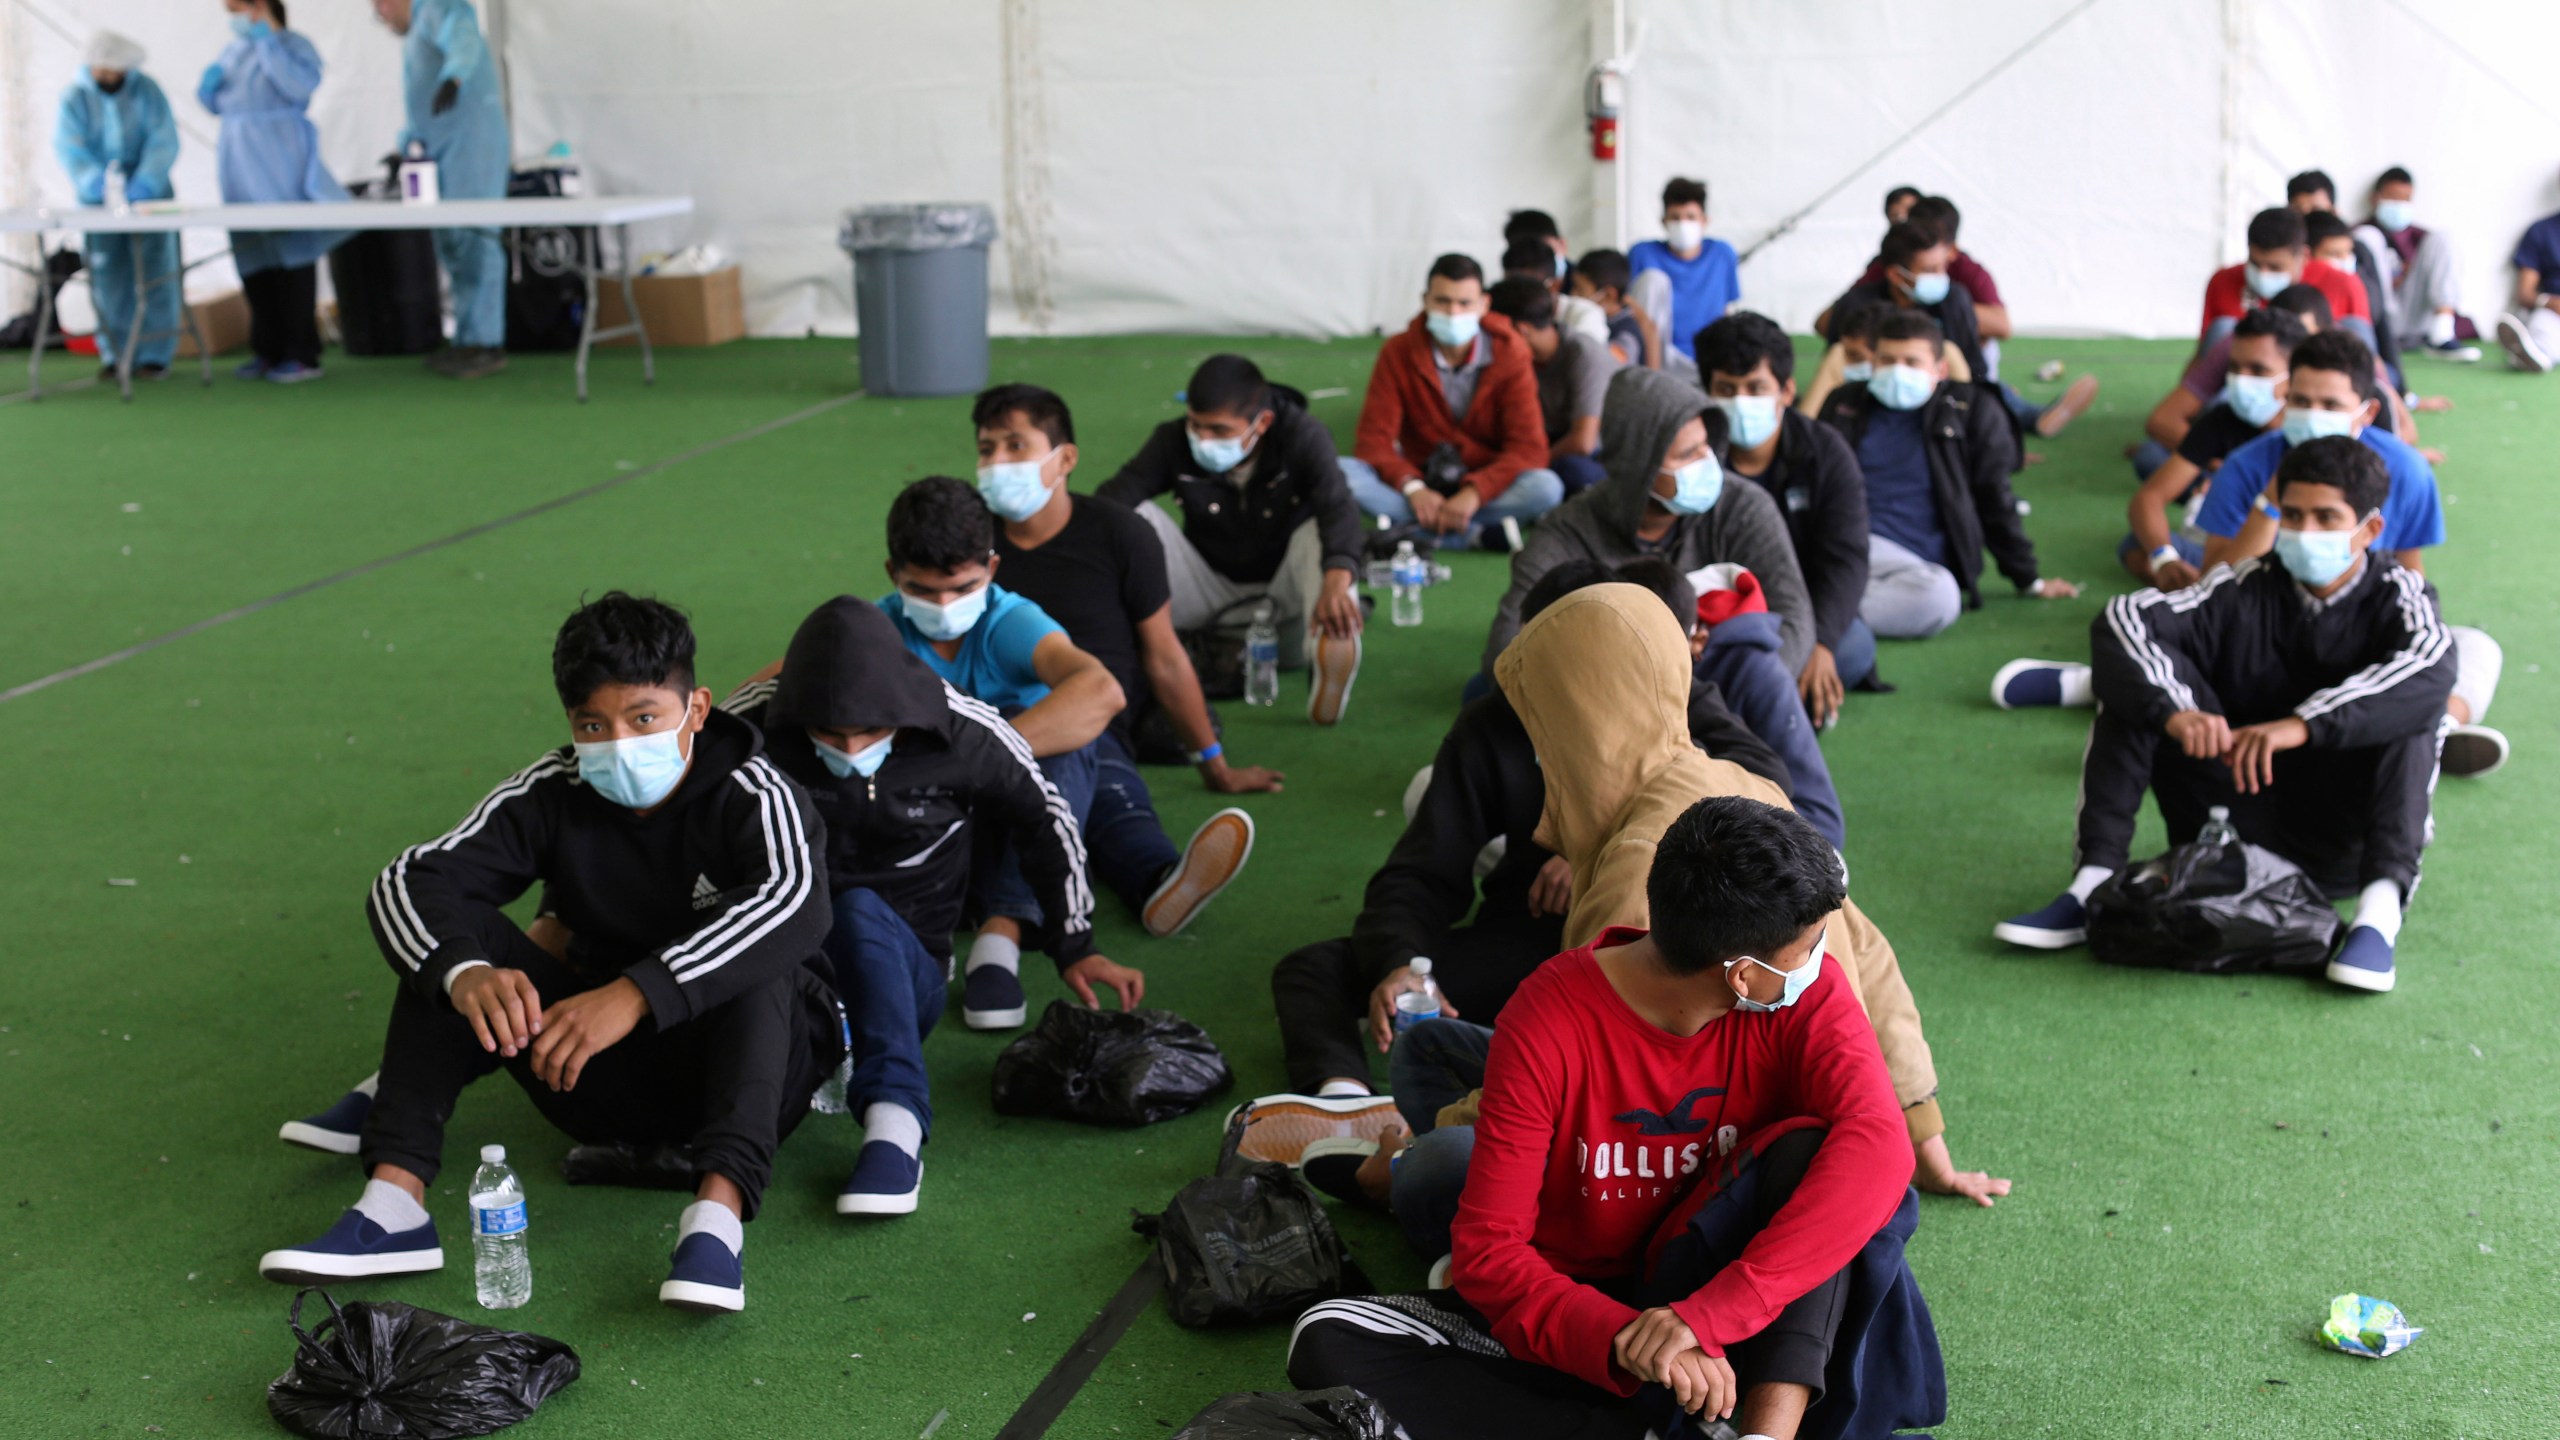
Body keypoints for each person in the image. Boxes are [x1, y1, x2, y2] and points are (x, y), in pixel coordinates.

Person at [1286, 795, 1943, 1440]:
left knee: (1823, 1158)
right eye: (1811, 944)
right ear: (1743, 975)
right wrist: (1633, 1342)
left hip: (1745, 1322)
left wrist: (1705, 1318)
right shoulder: (1547, 1018)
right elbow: (1491, 1255)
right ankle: (1671, 1425)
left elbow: (1882, 1149)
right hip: (1606, 1316)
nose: (1820, 956)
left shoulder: (1808, 990)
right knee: (1327, 1333)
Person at [257, 594, 843, 1314]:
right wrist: (464, 975)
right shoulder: (553, 790)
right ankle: (393, 1205)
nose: (619, 743)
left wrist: (635, 993)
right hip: (595, 1078)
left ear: (696, 709)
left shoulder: (753, 791)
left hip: (755, 1079)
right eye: (592, 724)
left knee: (761, 957)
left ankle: (715, 1228)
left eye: (644, 718)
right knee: (451, 950)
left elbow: (797, 905)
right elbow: (411, 878)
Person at [1258, 563, 1791, 1127]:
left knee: (1605, 1048)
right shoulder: (1496, 722)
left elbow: (1763, 793)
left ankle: (1506, 1070)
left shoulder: (1668, 693)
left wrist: (1592, 848)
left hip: (1646, 959)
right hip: (1528, 945)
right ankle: (1348, 1104)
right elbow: (1421, 871)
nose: (1535, 680)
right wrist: (1399, 964)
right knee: (1314, 969)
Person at [722, 596, 1139, 1213]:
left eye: (870, 731)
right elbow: (664, 824)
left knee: (858, 909)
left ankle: (896, 1127)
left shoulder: (962, 727)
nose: (851, 746)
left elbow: (1043, 818)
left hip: (907, 964)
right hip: (784, 959)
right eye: (829, 734)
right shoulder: (747, 726)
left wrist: (1075, 941)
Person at [1994, 440, 2456, 994]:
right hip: (2225, 825)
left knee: (2413, 713)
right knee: (2139, 696)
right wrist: (2179, 714)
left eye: (2327, 517)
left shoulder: (2398, 594)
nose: (2306, 531)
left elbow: (2427, 662)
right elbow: (2125, 616)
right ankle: (2089, 891)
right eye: (2294, 514)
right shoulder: (2243, 585)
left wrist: (2302, 725)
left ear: (2370, 530)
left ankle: (2377, 921)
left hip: (2337, 849)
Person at [876, 476, 1238, 1026]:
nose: (944, 606)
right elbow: (784, 683)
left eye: (961, 587)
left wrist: (975, 756)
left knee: (1074, 749)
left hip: (1011, 807)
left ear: (992, 570)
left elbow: (1103, 691)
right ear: (892, 576)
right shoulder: (873, 629)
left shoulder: (1010, 619)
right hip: (929, 830)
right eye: (923, 592)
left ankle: (1000, 939)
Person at [1480, 366, 1841, 843]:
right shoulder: (1567, 532)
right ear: (1640, 466)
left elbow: (1793, 617)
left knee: (1806, 657)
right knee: (1482, 700)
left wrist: (1714, 698)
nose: (1707, 462)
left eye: (1706, 447)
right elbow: (1507, 652)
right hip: (1608, 719)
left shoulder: (1744, 506)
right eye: (1688, 454)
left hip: (1722, 691)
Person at [969, 386, 1267, 934]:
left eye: (1016, 446)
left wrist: (1214, 763)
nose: (997, 464)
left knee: (1102, 787)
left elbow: (1165, 658)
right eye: (987, 449)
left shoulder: (1120, 534)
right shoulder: (967, 537)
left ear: (1066, 459)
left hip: (1089, 724)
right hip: (985, 722)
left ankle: (1161, 882)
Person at [1097, 354, 1365, 725]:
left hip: (1286, 608)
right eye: (1195, 425)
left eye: (1219, 431)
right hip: (1202, 605)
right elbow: (1110, 502)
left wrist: (1338, 577)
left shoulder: (1302, 436)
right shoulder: (1172, 440)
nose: (1203, 440)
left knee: (1320, 538)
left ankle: (1329, 649)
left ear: (1263, 422)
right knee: (1134, 520)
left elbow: (1339, 508)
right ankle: (1118, 647)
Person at [1815, 310, 2077, 644]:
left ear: (1940, 369)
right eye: (1886, 360)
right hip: (1842, 544)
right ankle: (1830, 607)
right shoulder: (1845, 403)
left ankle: (1818, 609)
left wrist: (2028, 578)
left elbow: (1994, 497)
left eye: (1912, 362)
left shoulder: (1972, 410)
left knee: (1939, 597)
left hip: (1920, 570)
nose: (1898, 371)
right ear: (1872, 364)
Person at [1695, 312, 1874, 719]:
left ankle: (1743, 706)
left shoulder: (1825, 453)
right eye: (1726, 389)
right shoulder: (1692, 456)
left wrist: (1822, 643)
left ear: (1787, 391)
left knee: (1853, 647)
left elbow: (1845, 558)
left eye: (1756, 388)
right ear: (1706, 392)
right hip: (1713, 612)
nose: (1741, 401)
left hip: (1802, 608)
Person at [1342, 254, 1564, 547]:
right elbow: (1373, 442)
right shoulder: (1397, 352)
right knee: (1340, 472)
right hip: (1420, 479)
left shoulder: (1510, 353)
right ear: (1425, 300)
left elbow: (1528, 448)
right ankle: (1473, 536)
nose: (1453, 313)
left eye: (1464, 303)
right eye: (1443, 301)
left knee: (1546, 487)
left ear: (1484, 304)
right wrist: (1413, 488)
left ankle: (1415, 531)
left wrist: (1476, 492)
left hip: (1484, 481)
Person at [199, 0, 350, 384]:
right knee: (252, 255)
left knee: (290, 251)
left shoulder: (295, 46)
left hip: (279, 156)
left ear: (260, 8)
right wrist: (209, 88)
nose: (233, 20)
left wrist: (269, 44)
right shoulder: (233, 50)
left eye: (238, 10)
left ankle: (302, 352)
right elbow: (218, 103)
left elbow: (298, 87)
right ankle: (266, 349)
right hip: (237, 161)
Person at [2115, 306, 2306, 592]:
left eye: (2257, 370)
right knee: (2139, 544)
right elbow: (2148, 498)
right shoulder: (2222, 420)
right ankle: (2202, 592)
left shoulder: (2315, 431)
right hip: (2230, 553)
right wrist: (2165, 559)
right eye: (2234, 368)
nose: (2242, 380)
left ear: (2294, 375)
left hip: (2303, 554)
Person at [372, 0, 511, 378]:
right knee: (453, 245)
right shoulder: (416, 35)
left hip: (471, 146)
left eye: (380, 6)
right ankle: (467, 340)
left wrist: (455, 76)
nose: (381, 16)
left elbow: (462, 36)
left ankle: (487, 342)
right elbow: (420, 107)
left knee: (476, 240)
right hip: (443, 153)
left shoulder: (437, 7)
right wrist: (406, 146)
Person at [54, 32, 182, 380]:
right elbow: (69, 147)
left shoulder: (147, 91)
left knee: (157, 272)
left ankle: (156, 354)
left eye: (114, 71)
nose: (108, 78)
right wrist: (95, 182)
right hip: (98, 201)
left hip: (149, 196)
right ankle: (115, 354)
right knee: (108, 276)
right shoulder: (75, 99)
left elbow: (162, 139)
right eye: (102, 71)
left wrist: (146, 182)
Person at [1819, 220, 1994, 395]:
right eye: (1929, 270)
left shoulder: (1955, 300)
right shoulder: (1855, 305)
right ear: (1896, 275)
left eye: (1943, 267)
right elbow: (1836, 365)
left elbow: (1976, 370)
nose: (1940, 276)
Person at [1488, 277, 1619, 496]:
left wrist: (1526, 464)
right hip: (1551, 445)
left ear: (1522, 331)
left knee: (1571, 471)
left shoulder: (1582, 353)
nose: (1490, 341)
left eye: (1495, 334)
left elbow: (1584, 442)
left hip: (1603, 456)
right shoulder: (1518, 359)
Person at [2198, 207, 2370, 350]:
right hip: (2251, 376)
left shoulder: (2344, 284)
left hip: (2317, 379)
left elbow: (2368, 362)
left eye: (2275, 267)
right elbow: (2203, 358)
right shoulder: (2222, 281)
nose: (2263, 273)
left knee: (2355, 327)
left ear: (2303, 256)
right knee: (2222, 328)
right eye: (2255, 264)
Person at [2289, 168, 2402, 380]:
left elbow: (2378, 320)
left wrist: (2403, 393)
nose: (2308, 216)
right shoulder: (2282, 258)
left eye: (2316, 208)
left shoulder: (2358, 255)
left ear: (2334, 210)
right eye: (2299, 210)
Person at [2357, 168, 2479, 362]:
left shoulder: (2421, 237)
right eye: (2393, 197)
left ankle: (2442, 335)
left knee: (2443, 238)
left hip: (2414, 317)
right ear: (2375, 198)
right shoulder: (2359, 233)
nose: (2399, 204)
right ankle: (2379, 337)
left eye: (2405, 198)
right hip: (2378, 317)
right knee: (2366, 236)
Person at [1626, 177, 1741, 363]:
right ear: (1663, 221)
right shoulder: (1642, 254)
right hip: (1655, 357)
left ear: (1704, 220)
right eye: (1675, 218)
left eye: (1690, 217)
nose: (1682, 224)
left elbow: (1727, 311)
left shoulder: (1722, 254)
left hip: (1706, 358)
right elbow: (1629, 310)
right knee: (1653, 279)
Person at [1498, 232, 1611, 348]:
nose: (1516, 296)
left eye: (1528, 289)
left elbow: (1585, 358)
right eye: (1510, 287)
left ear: (1554, 285)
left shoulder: (1585, 316)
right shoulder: (1502, 313)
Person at [2493, 180, 2560, 374]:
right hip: (2553, 312)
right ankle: (2536, 355)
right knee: (2543, 326)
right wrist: (2549, 302)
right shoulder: (2541, 231)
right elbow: (2524, 294)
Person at [1568, 247, 1656, 368]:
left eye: (1580, 289)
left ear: (1608, 295)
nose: (1573, 294)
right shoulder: (1602, 321)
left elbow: (1606, 369)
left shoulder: (1625, 337)